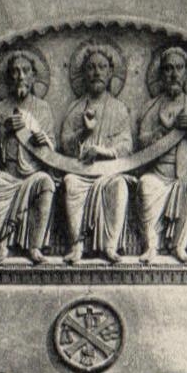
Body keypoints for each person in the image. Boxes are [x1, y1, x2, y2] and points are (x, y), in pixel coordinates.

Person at [59, 43, 132, 264]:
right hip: (80, 172)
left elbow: (127, 145)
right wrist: (85, 131)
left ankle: (111, 246)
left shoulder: (118, 108)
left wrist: (103, 151)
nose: (97, 72)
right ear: (83, 74)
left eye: (102, 67)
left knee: (119, 186)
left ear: (110, 73)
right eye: (91, 68)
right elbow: (64, 146)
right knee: (70, 183)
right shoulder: (75, 108)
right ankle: (76, 246)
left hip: (109, 173)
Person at [0, 48, 57, 264]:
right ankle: (2, 245)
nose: (21, 76)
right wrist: (3, 132)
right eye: (15, 72)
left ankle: (35, 247)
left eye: (26, 71)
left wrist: (44, 141)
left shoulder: (43, 108)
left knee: (46, 182)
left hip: (33, 174)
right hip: (9, 174)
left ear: (34, 77)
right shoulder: (0, 109)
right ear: (8, 77)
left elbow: (53, 153)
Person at [136, 46, 187, 265]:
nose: (174, 74)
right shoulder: (151, 108)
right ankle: (151, 246)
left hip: (184, 175)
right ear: (161, 75)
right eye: (167, 69)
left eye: (179, 68)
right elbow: (141, 143)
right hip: (158, 174)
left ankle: (180, 245)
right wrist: (161, 133)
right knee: (145, 185)